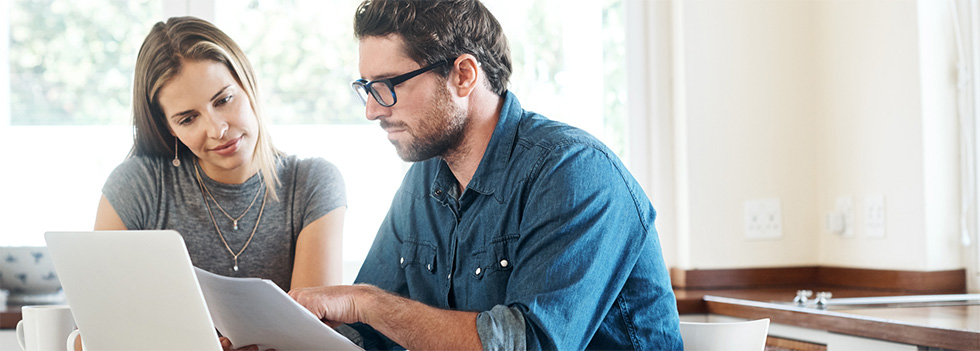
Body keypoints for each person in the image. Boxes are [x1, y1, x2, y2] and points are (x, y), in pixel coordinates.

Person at [288, 0, 683, 350]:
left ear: (463, 75)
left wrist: (368, 302)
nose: (372, 111)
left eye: (388, 86)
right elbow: (370, 332)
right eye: (367, 88)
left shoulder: (575, 171)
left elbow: (530, 344)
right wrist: (280, 338)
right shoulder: (424, 180)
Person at [95, 15, 346, 317]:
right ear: (169, 128)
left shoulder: (313, 184)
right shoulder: (138, 186)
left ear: (247, 82)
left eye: (224, 99)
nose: (217, 129)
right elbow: (99, 327)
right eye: (188, 119)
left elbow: (314, 336)